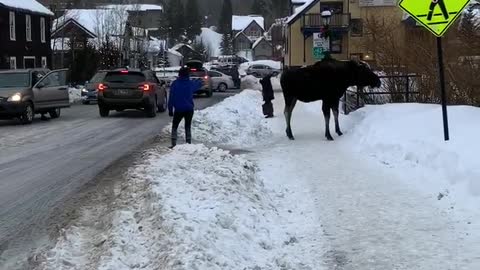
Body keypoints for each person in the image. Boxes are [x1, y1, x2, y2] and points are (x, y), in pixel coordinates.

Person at [168, 67, 203, 148]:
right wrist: (200, 81)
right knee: (187, 125)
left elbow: (171, 98)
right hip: (189, 109)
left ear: (179, 74)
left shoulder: (175, 84)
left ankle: (173, 143)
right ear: (187, 74)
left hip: (179, 109)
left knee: (175, 125)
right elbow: (198, 85)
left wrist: (170, 109)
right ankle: (188, 142)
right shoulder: (190, 83)